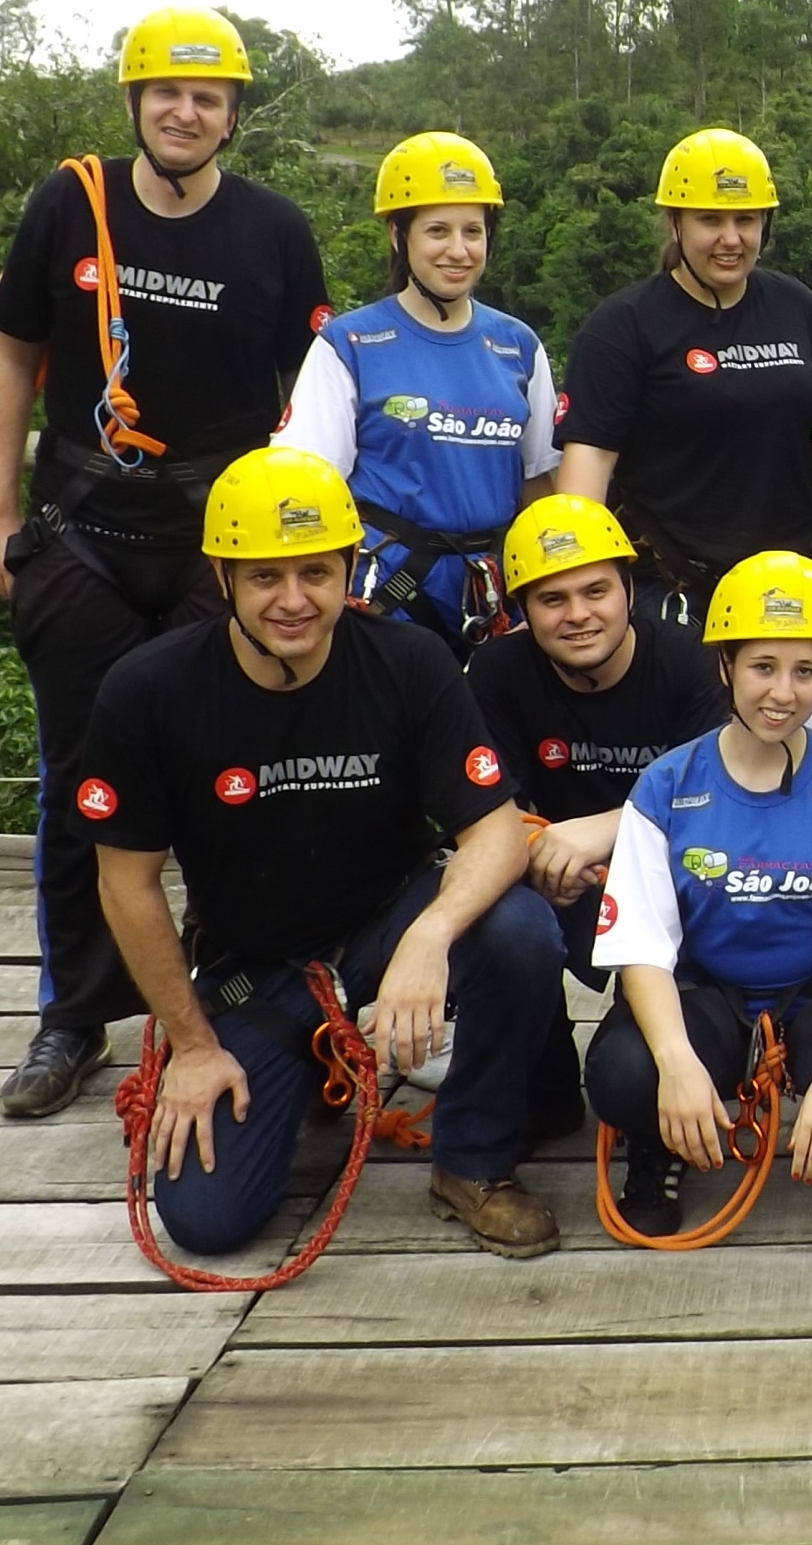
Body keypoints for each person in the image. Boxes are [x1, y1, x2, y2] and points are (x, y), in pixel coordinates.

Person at [0, 5, 330, 1119]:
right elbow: (13, 356)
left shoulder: (272, 232)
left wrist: (298, 563)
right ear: (136, 102)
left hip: (217, 551)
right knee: (83, 784)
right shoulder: (70, 205)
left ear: (232, 116)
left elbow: (313, 398)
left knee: (237, 783)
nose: (186, 112)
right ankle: (73, 1016)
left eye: (208, 97)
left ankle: (239, 995)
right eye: (168, 93)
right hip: (82, 528)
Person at [82, 448, 567, 1259]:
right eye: (266, 577)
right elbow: (124, 884)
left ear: (350, 567)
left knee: (519, 931)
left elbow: (493, 829)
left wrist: (431, 936)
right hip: (258, 965)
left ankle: (473, 1162)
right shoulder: (150, 692)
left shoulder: (409, 663)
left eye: (316, 572)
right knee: (208, 1220)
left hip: (386, 923)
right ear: (222, 577)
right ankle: (307, 1068)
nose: (295, 600)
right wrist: (194, 1045)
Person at [587, 551, 812, 1235]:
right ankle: (659, 1141)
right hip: (706, 992)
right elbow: (641, 947)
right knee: (625, 1076)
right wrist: (676, 1064)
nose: (783, 692)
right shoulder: (665, 786)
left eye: (805, 671)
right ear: (725, 667)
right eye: (762, 668)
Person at [275, 133, 557, 655]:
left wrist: (545, 593)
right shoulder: (350, 345)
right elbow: (306, 487)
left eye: (473, 231)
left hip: (494, 597)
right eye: (437, 231)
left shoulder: (517, 345)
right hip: (387, 594)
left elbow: (539, 487)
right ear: (397, 236)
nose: (458, 249)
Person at [558, 129, 812, 626]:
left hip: (787, 588)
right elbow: (585, 479)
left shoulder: (798, 308)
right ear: (675, 223)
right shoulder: (623, 325)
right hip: (670, 589)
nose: (731, 239)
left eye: (746, 220)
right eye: (710, 220)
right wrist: (584, 595)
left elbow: (808, 407)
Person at [468, 494, 731, 988]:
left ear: (629, 591)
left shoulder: (688, 663)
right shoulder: (498, 673)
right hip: (551, 874)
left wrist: (612, 828)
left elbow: (723, 800)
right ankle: (537, 1058)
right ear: (522, 608)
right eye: (552, 599)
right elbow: (486, 807)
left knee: (626, 1065)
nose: (578, 614)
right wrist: (536, 847)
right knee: (507, 924)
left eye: (596, 591)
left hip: (676, 875)